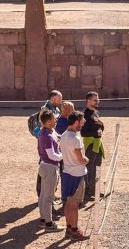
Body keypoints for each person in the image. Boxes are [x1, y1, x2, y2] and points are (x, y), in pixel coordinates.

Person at [60, 111, 89, 240]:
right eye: (81, 122)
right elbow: (80, 159)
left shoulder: (64, 135)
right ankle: (75, 230)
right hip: (76, 174)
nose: (83, 124)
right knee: (74, 204)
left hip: (66, 172)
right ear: (76, 122)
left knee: (68, 202)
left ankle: (68, 228)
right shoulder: (75, 139)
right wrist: (86, 160)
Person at [37, 109, 65, 232]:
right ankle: (49, 224)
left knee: (43, 195)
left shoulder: (48, 132)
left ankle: (44, 219)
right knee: (48, 197)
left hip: (45, 166)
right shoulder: (47, 135)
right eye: (54, 119)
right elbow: (52, 155)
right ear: (48, 121)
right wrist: (63, 155)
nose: (56, 120)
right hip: (50, 167)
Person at [36, 90, 63, 199]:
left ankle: (50, 192)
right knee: (45, 166)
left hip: (53, 139)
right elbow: (42, 126)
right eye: (59, 99)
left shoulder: (55, 109)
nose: (60, 102)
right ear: (53, 99)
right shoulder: (45, 110)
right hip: (46, 141)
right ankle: (41, 193)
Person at [80, 91, 105, 200]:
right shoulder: (84, 115)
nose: (97, 102)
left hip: (98, 144)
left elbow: (99, 128)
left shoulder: (96, 112)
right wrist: (96, 133)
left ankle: (96, 190)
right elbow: (83, 133)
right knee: (89, 168)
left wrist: (102, 125)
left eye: (97, 100)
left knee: (97, 167)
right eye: (95, 100)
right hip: (90, 144)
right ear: (88, 101)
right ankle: (87, 192)